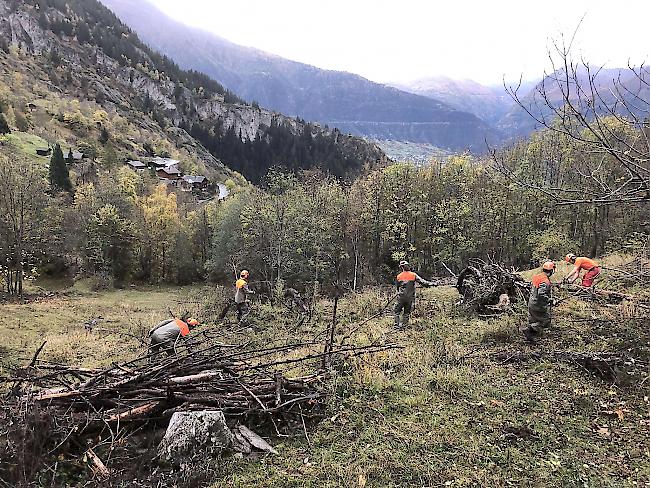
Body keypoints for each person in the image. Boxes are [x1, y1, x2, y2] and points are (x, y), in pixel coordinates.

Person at [394, 260, 437, 328]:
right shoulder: (413, 275)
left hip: (401, 297)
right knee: (406, 313)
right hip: (410, 298)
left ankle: (397, 326)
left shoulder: (399, 276)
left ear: (401, 267)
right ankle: (404, 326)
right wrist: (432, 284)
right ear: (408, 266)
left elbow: (397, 287)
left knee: (397, 311)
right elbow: (423, 282)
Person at [522, 261, 555, 343]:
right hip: (538, 305)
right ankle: (528, 330)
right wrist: (550, 300)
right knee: (545, 321)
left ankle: (529, 338)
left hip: (531, 302)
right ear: (551, 271)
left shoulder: (537, 276)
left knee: (533, 320)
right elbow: (541, 294)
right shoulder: (545, 282)